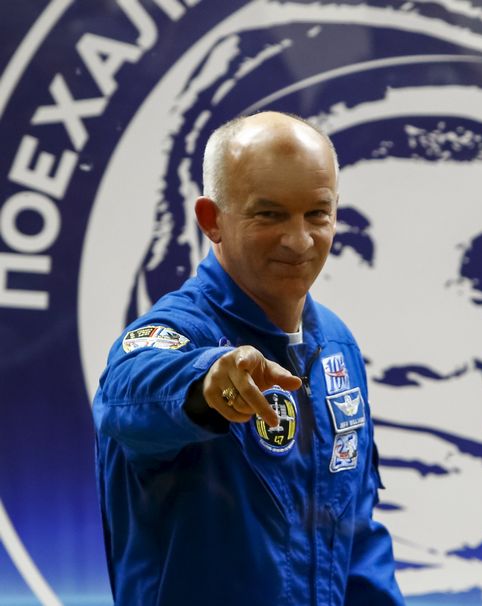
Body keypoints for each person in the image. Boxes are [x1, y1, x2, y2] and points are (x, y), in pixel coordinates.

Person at [92, 111, 404, 605]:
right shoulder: (177, 332)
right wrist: (205, 383)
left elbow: (356, 537)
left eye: (317, 214)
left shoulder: (337, 346)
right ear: (211, 220)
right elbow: (128, 393)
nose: (299, 240)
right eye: (270, 214)